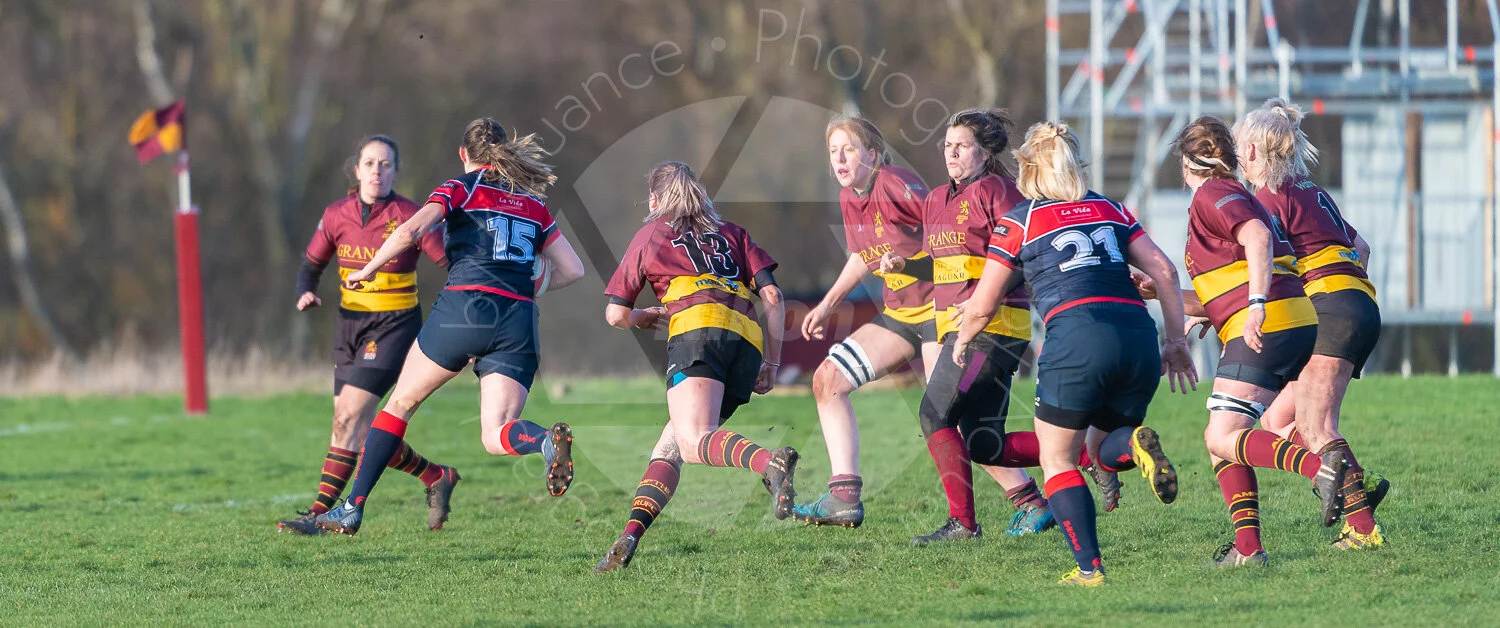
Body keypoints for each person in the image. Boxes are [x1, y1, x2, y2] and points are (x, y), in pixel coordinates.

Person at [314, 118, 587, 535]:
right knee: (495, 434)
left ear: (464, 155)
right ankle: (544, 441)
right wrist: (531, 283)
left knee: (399, 406)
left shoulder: (461, 188)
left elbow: (412, 229)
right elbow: (573, 270)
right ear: (505, 154)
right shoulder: (533, 204)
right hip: (518, 319)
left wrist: (368, 268)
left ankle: (351, 507)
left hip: (465, 308)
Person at [954, 121, 1196, 586]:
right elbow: (1164, 270)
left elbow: (982, 304)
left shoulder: (1020, 220)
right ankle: (1137, 452)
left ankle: (1090, 569)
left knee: (1057, 459)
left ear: (1027, 170)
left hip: (1077, 338)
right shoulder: (1110, 208)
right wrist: (1176, 342)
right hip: (1137, 336)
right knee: (1102, 447)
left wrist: (962, 340)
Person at [791, 117, 1050, 534]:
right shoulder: (848, 197)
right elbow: (864, 254)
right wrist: (827, 304)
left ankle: (1025, 500)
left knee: (947, 418)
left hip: (938, 313)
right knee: (828, 380)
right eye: (833, 151)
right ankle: (844, 496)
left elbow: (951, 230)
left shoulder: (895, 183)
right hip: (899, 315)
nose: (839, 158)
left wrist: (980, 292)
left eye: (849, 149)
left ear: (872, 154)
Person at [1162, 116, 1374, 566]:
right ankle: (1264, 539)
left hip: (1306, 312)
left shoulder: (1230, 195)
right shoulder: (1302, 192)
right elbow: (1362, 249)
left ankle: (1345, 502)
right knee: (1276, 423)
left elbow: (1259, 245)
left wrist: (1255, 303)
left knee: (1252, 435)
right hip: (1339, 307)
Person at [594, 162, 797, 573]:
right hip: (746, 342)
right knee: (670, 447)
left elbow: (616, 314)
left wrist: (644, 317)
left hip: (698, 335)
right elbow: (773, 297)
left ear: (654, 200)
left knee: (692, 440)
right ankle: (629, 537)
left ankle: (768, 463)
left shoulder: (653, 233)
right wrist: (772, 363)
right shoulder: (732, 232)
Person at [277, 135, 459, 535]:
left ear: (396, 170)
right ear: (356, 169)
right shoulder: (336, 214)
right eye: (370, 163)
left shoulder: (411, 214)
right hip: (349, 326)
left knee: (348, 419)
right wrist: (304, 292)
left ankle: (318, 514)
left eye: (386, 164)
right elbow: (310, 266)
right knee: (352, 428)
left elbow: (450, 261)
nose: (378, 171)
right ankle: (435, 475)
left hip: (394, 327)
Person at [884, 109, 1051, 545]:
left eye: (961, 145)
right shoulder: (936, 198)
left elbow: (1022, 257)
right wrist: (908, 264)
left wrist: (982, 303)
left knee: (933, 413)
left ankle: (963, 524)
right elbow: (947, 268)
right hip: (961, 332)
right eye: (946, 145)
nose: (951, 152)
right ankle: (1095, 454)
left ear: (985, 151)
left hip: (992, 331)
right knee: (984, 442)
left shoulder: (997, 190)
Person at [1233, 98, 1387, 549]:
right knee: (1278, 425)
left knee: (1318, 429)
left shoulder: (1265, 199)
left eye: (1241, 149)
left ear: (1256, 152)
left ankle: (1364, 531)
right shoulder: (1313, 191)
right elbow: (1362, 248)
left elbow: (1266, 270)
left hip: (1329, 312)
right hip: (1357, 304)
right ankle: (1354, 480)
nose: (1238, 159)